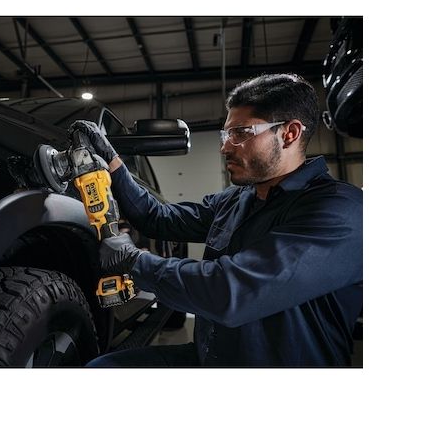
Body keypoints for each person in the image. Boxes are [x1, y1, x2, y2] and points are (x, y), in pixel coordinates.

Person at [71, 73, 363, 367]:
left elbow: (231, 292)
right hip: (212, 360)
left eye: (241, 133)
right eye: (226, 135)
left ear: (289, 133)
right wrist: (113, 162)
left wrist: (135, 261)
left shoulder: (340, 211)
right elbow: (157, 218)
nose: (225, 147)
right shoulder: (235, 201)